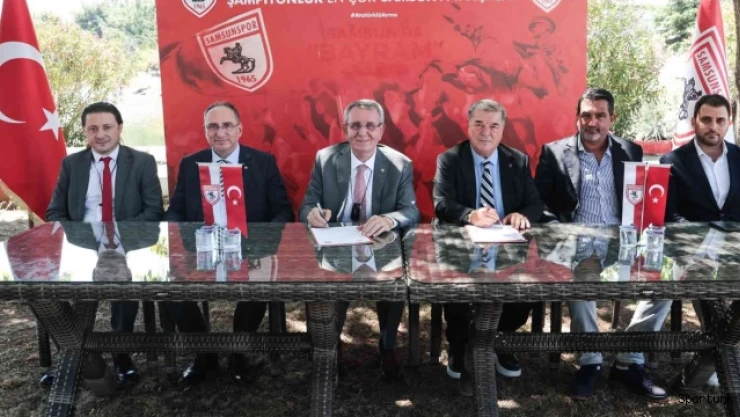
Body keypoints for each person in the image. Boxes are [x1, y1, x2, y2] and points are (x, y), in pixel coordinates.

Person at [535, 87, 670, 400]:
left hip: (622, 241)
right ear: (577, 118)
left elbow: (640, 201)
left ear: (612, 118)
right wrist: (560, 231)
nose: (592, 122)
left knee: (665, 282)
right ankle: (591, 360)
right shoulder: (554, 152)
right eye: (586, 115)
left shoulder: (630, 151)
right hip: (576, 239)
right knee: (579, 280)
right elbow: (538, 203)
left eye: (600, 116)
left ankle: (630, 359)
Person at [165, 101, 294, 385]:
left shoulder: (262, 162)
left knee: (258, 284)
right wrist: (186, 237)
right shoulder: (190, 164)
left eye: (226, 125)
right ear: (205, 131)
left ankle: (238, 352)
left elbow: (283, 210)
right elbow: (175, 211)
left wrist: (263, 240)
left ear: (239, 130)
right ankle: (204, 353)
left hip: (250, 246)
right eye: (213, 126)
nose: (220, 132)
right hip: (202, 246)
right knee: (170, 289)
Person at [44, 101, 164, 387]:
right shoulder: (72, 164)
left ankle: (121, 353)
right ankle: (73, 354)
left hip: (127, 243)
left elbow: (153, 211)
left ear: (119, 128)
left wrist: (117, 239)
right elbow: (55, 212)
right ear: (85, 132)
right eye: (93, 129)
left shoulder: (142, 162)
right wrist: (80, 240)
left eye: (107, 127)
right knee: (52, 292)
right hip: (81, 244)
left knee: (124, 280)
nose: (100, 134)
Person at [299, 98, 419, 381]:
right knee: (330, 282)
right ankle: (332, 347)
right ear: (345, 128)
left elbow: (411, 210)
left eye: (370, 126)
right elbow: (307, 205)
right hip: (336, 241)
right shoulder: (326, 158)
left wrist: (389, 219)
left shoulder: (399, 163)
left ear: (381, 130)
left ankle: (387, 347)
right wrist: (313, 213)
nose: (362, 132)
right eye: (355, 125)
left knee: (393, 282)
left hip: (380, 242)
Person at [433, 98, 543, 395]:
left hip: (508, 245)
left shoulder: (517, 160)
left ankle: (498, 340)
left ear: (502, 128)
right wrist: (470, 215)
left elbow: (535, 203)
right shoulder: (450, 159)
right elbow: (441, 203)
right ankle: (460, 346)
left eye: (494, 125)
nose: (486, 132)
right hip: (464, 243)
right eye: (479, 124)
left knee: (526, 290)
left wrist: (521, 214)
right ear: (468, 126)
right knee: (457, 290)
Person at [660, 93, 740, 389]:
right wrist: (698, 242)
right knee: (695, 290)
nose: (713, 127)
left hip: (734, 248)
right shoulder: (673, 161)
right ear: (695, 121)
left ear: (729, 122)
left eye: (720, 120)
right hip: (691, 249)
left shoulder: (739, 158)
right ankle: (717, 362)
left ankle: (716, 359)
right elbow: (670, 215)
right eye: (706, 119)